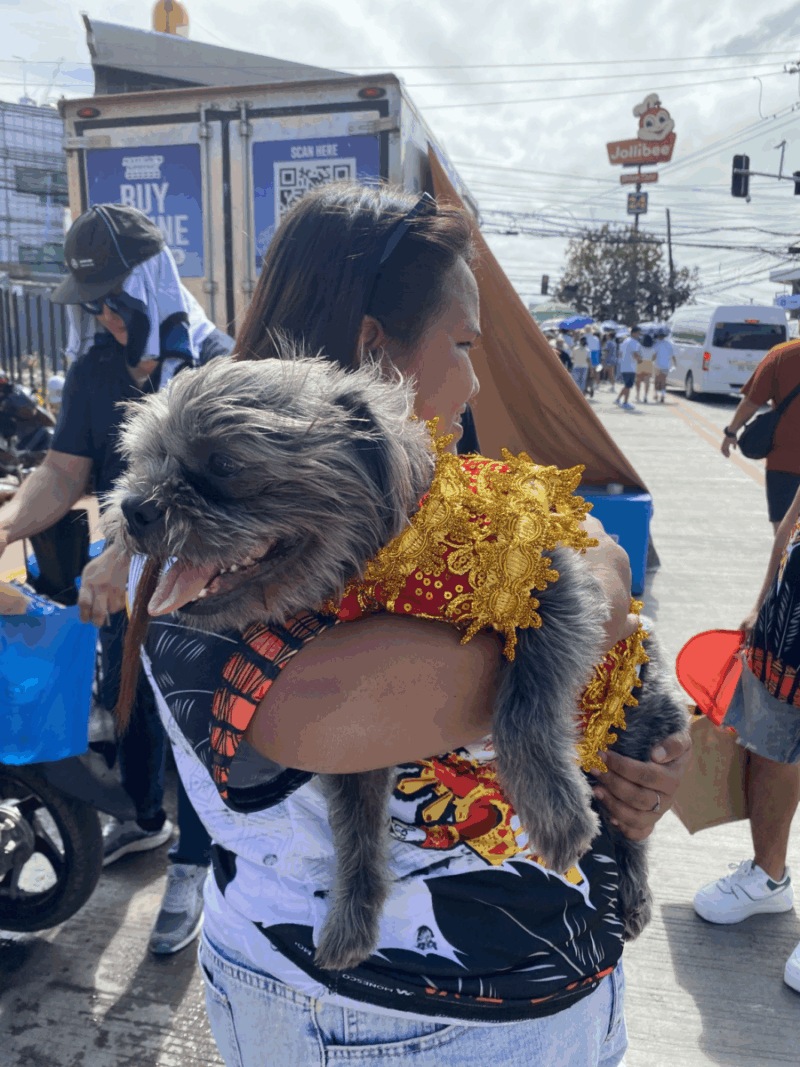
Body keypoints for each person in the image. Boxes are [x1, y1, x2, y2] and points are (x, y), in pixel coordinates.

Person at [121, 184, 691, 1067]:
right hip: (370, 1021)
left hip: (572, 984)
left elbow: (598, 580)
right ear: (373, 351)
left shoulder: (445, 503)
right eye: (463, 345)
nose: (476, 380)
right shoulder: (202, 561)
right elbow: (377, 704)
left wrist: (634, 778)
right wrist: (587, 601)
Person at [0, 203, 223, 956]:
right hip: (122, 584)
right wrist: (7, 524)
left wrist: (123, 553)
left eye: (114, 302)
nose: (103, 316)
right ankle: (143, 819)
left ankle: (195, 864)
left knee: (194, 721)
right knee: (130, 700)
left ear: (151, 285)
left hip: (200, 588)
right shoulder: (95, 370)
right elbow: (64, 472)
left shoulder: (211, 368)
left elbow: (195, 494)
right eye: (92, 304)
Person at [693, 483, 800, 994]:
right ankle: (768, 876)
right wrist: (762, 605)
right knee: (770, 747)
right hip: (788, 625)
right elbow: (792, 520)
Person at [721, 338, 800, 533]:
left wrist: (731, 431)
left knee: (785, 528)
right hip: (786, 459)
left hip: (785, 459)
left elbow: (752, 401)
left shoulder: (782, 354)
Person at [616, 327, 642, 410]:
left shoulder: (625, 341)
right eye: (638, 333)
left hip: (624, 366)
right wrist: (639, 360)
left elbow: (620, 353)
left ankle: (618, 399)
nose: (639, 335)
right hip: (630, 367)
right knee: (628, 386)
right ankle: (625, 402)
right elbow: (635, 354)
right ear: (633, 333)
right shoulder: (634, 342)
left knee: (627, 385)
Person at [652, 330, 674, 404]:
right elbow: (672, 355)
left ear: (658, 336)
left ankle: (656, 394)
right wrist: (674, 363)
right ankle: (662, 396)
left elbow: (654, 355)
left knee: (657, 380)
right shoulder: (669, 344)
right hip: (666, 365)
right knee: (663, 381)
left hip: (657, 365)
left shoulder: (656, 344)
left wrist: (651, 360)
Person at [635, 333, 655, 404]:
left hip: (641, 362)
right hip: (649, 363)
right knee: (647, 381)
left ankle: (638, 395)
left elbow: (637, 355)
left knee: (638, 381)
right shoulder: (653, 348)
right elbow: (654, 357)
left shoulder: (640, 347)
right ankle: (645, 396)